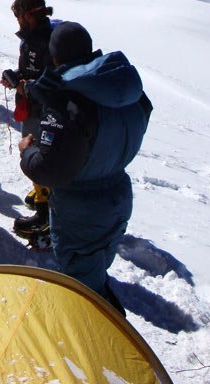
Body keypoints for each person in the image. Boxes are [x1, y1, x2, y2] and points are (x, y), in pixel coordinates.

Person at [19, 21, 151, 315]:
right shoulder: (122, 87)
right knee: (95, 276)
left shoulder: (70, 99)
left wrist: (28, 151)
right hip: (117, 193)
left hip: (80, 209)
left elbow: (49, 170)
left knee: (83, 294)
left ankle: (104, 348)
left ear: (55, 58)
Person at [0, 0, 55, 240]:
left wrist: (24, 86)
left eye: (18, 15)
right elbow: (30, 71)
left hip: (42, 110)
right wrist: (16, 76)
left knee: (37, 154)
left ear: (28, 15)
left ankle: (46, 215)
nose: (16, 20)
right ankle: (43, 197)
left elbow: (51, 81)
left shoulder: (47, 41)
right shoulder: (34, 38)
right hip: (33, 106)